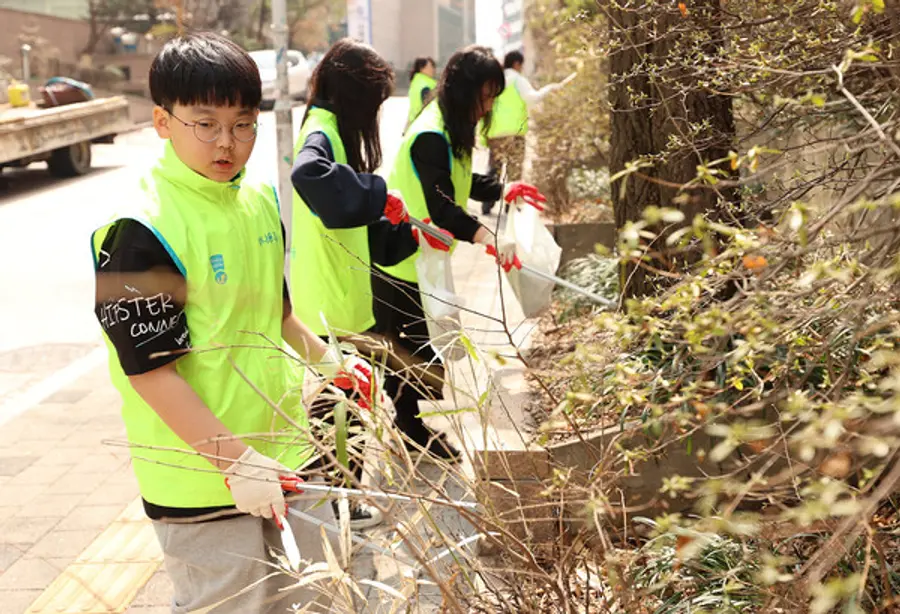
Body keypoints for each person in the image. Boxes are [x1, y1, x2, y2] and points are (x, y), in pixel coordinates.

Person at [92, 32, 375, 613]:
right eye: (206, 123)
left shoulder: (259, 199)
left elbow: (276, 314)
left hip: (290, 451)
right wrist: (236, 461)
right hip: (200, 478)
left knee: (329, 593)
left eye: (242, 123)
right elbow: (151, 373)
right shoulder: (139, 228)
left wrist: (330, 361)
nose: (227, 142)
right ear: (163, 122)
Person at [373, 45, 546, 463]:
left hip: (422, 255)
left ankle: (409, 430)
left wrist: (502, 189)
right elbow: (443, 208)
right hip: (400, 257)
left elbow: (458, 182)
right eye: (484, 96)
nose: (487, 106)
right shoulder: (431, 134)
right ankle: (410, 434)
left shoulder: (449, 128)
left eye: (492, 97)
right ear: (466, 90)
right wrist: (487, 236)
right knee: (412, 353)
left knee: (419, 349)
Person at [290, 38, 432, 530]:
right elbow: (309, 175)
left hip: (342, 293)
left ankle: (337, 499)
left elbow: (348, 211)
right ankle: (339, 505)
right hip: (332, 302)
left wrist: (394, 225)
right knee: (339, 408)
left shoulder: (329, 129)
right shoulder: (322, 129)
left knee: (346, 405)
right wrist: (377, 193)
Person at [480, 50, 576, 215]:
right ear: (517, 64)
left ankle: (486, 204)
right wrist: (550, 88)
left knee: (493, 170)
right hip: (514, 133)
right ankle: (510, 208)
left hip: (495, 134)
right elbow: (532, 98)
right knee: (514, 172)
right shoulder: (518, 80)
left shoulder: (496, 80)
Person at [406, 56, 437, 130]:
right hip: (425, 126)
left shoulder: (415, 83)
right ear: (421, 69)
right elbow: (430, 108)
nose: (433, 70)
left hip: (413, 123)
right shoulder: (426, 86)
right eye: (430, 67)